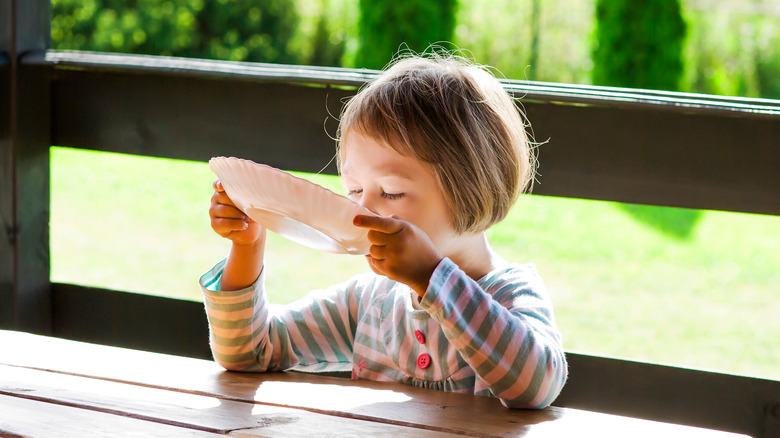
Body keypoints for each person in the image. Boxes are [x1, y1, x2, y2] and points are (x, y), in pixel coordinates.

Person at [202, 52, 567, 409]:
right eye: (354, 190)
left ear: (471, 188)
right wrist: (247, 247)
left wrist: (431, 277)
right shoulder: (370, 305)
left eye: (392, 191)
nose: (363, 208)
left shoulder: (511, 293)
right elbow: (249, 351)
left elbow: (535, 386)